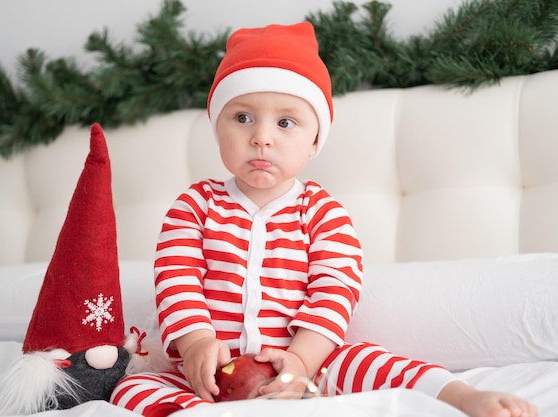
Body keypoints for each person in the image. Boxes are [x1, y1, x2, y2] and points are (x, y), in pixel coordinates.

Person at [110, 22, 537, 417]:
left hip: (306, 364)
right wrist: (197, 342)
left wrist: (300, 360)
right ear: (215, 125)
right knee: (130, 391)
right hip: (209, 372)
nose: (262, 136)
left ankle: (461, 395)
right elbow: (176, 275)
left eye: (285, 122)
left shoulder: (322, 212)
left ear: (314, 140)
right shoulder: (196, 204)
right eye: (241, 117)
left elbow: (335, 289)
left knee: (370, 360)